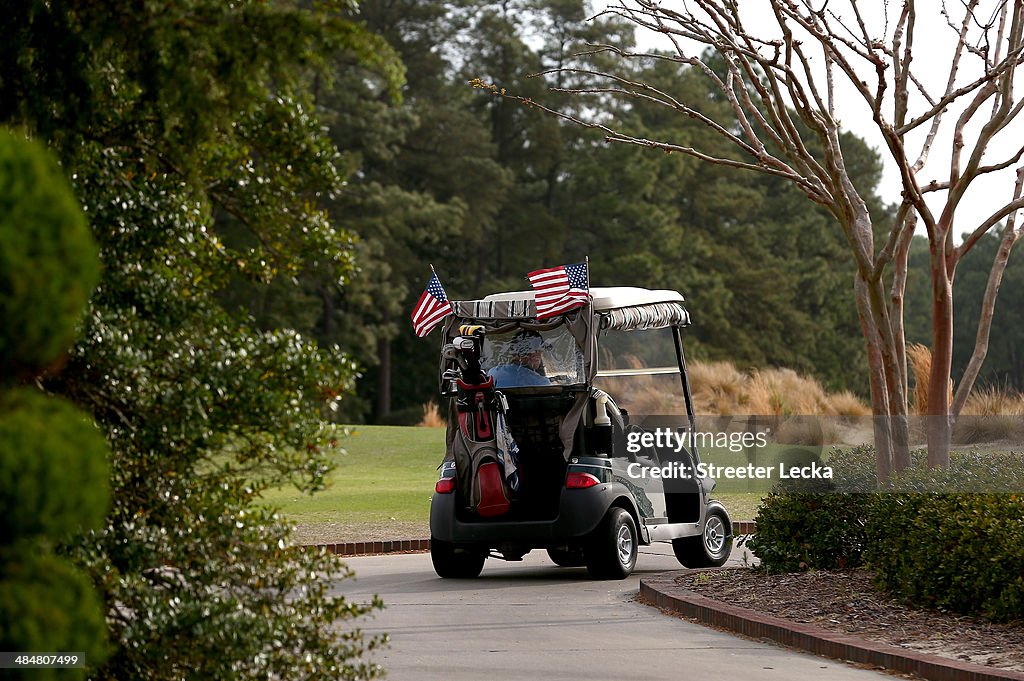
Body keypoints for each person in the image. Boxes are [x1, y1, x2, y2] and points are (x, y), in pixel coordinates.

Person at [488, 329, 552, 388]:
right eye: (540, 351)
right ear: (533, 353)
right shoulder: (541, 383)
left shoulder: (492, 374)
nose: (541, 354)